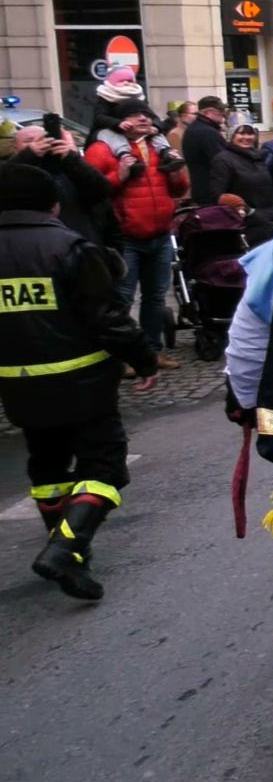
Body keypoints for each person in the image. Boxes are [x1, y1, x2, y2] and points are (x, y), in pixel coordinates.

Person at [0, 162, 159, 601]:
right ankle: (65, 546)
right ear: (52, 203)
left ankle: (69, 549)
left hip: (18, 385)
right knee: (103, 467)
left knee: (47, 466)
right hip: (83, 381)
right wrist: (143, 360)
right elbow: (108, 319)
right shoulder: (70, 247)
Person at [84, 105, 189, 368]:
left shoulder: (158, 146)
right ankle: (123, 357)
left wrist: (177, 172)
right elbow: (90, 190)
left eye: (146, 115)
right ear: (121, 123)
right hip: (125, 236)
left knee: (155, 297)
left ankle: (152, 352)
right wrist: (118, 175)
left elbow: (179, 189)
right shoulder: (102, 149)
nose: (143, 118)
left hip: (161, 233)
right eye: (134, 115)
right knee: (123, 298)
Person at [9, 124, 119, 250]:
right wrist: (28, 156)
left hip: (81, 245)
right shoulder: (14, 169)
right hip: (36, 248)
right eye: (28, 141)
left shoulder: (69, 166)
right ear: (15, 147)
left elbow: (101, 190)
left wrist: (71, 157)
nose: (38, 144)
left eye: (43, 139)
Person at [209, 123, 273, 244]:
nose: (247, 137)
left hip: (271, 218)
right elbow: (217, 194)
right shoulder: (223, 159)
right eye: (242, 133)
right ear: (232, 136)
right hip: (248, 223)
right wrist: (250, 212)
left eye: (250, 133)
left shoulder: (257, 156)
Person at [181, 95, 229, 205]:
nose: (223, 115)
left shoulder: (194, 128)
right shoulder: (208, 132)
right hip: (211, 192)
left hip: (200, 190)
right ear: (209, 112)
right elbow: (223, 162)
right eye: (221, 111)